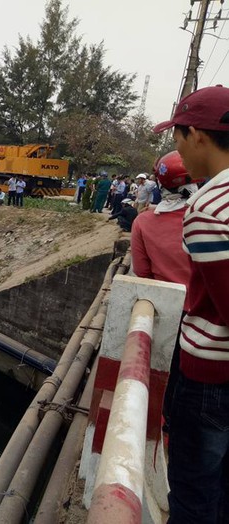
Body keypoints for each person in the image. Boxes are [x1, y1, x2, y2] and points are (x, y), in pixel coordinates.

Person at [152, 85, 229, 524]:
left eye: (178, 135)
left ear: (197, 135)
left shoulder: (209, 207)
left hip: (210, 378)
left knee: (194, 494)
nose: (176, 144)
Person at [131, 151, 197, 440]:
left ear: (158, 184)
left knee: (171, 380)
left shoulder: (144, 223)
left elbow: (141, 275)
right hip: (207, 317)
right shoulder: (210, 216)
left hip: (168, 314)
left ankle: (169, 428)